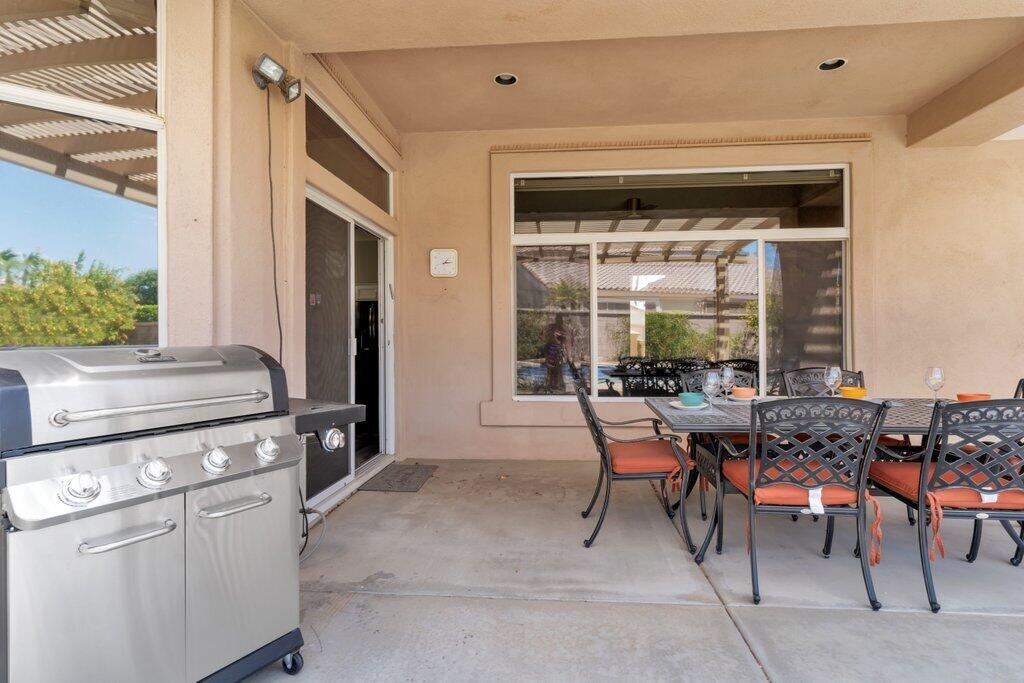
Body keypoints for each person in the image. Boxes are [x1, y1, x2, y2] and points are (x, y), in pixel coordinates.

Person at [542, 316, 570, 393]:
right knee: (552, 371)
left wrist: (566, 354)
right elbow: (544, 338)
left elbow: (564, 340)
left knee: (557, 371)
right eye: (560, 319)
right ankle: (552, 387)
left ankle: (555, 387)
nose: (561, 321)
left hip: (556, 353)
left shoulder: (561, 329)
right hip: (552, 352)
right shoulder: (552, 327)